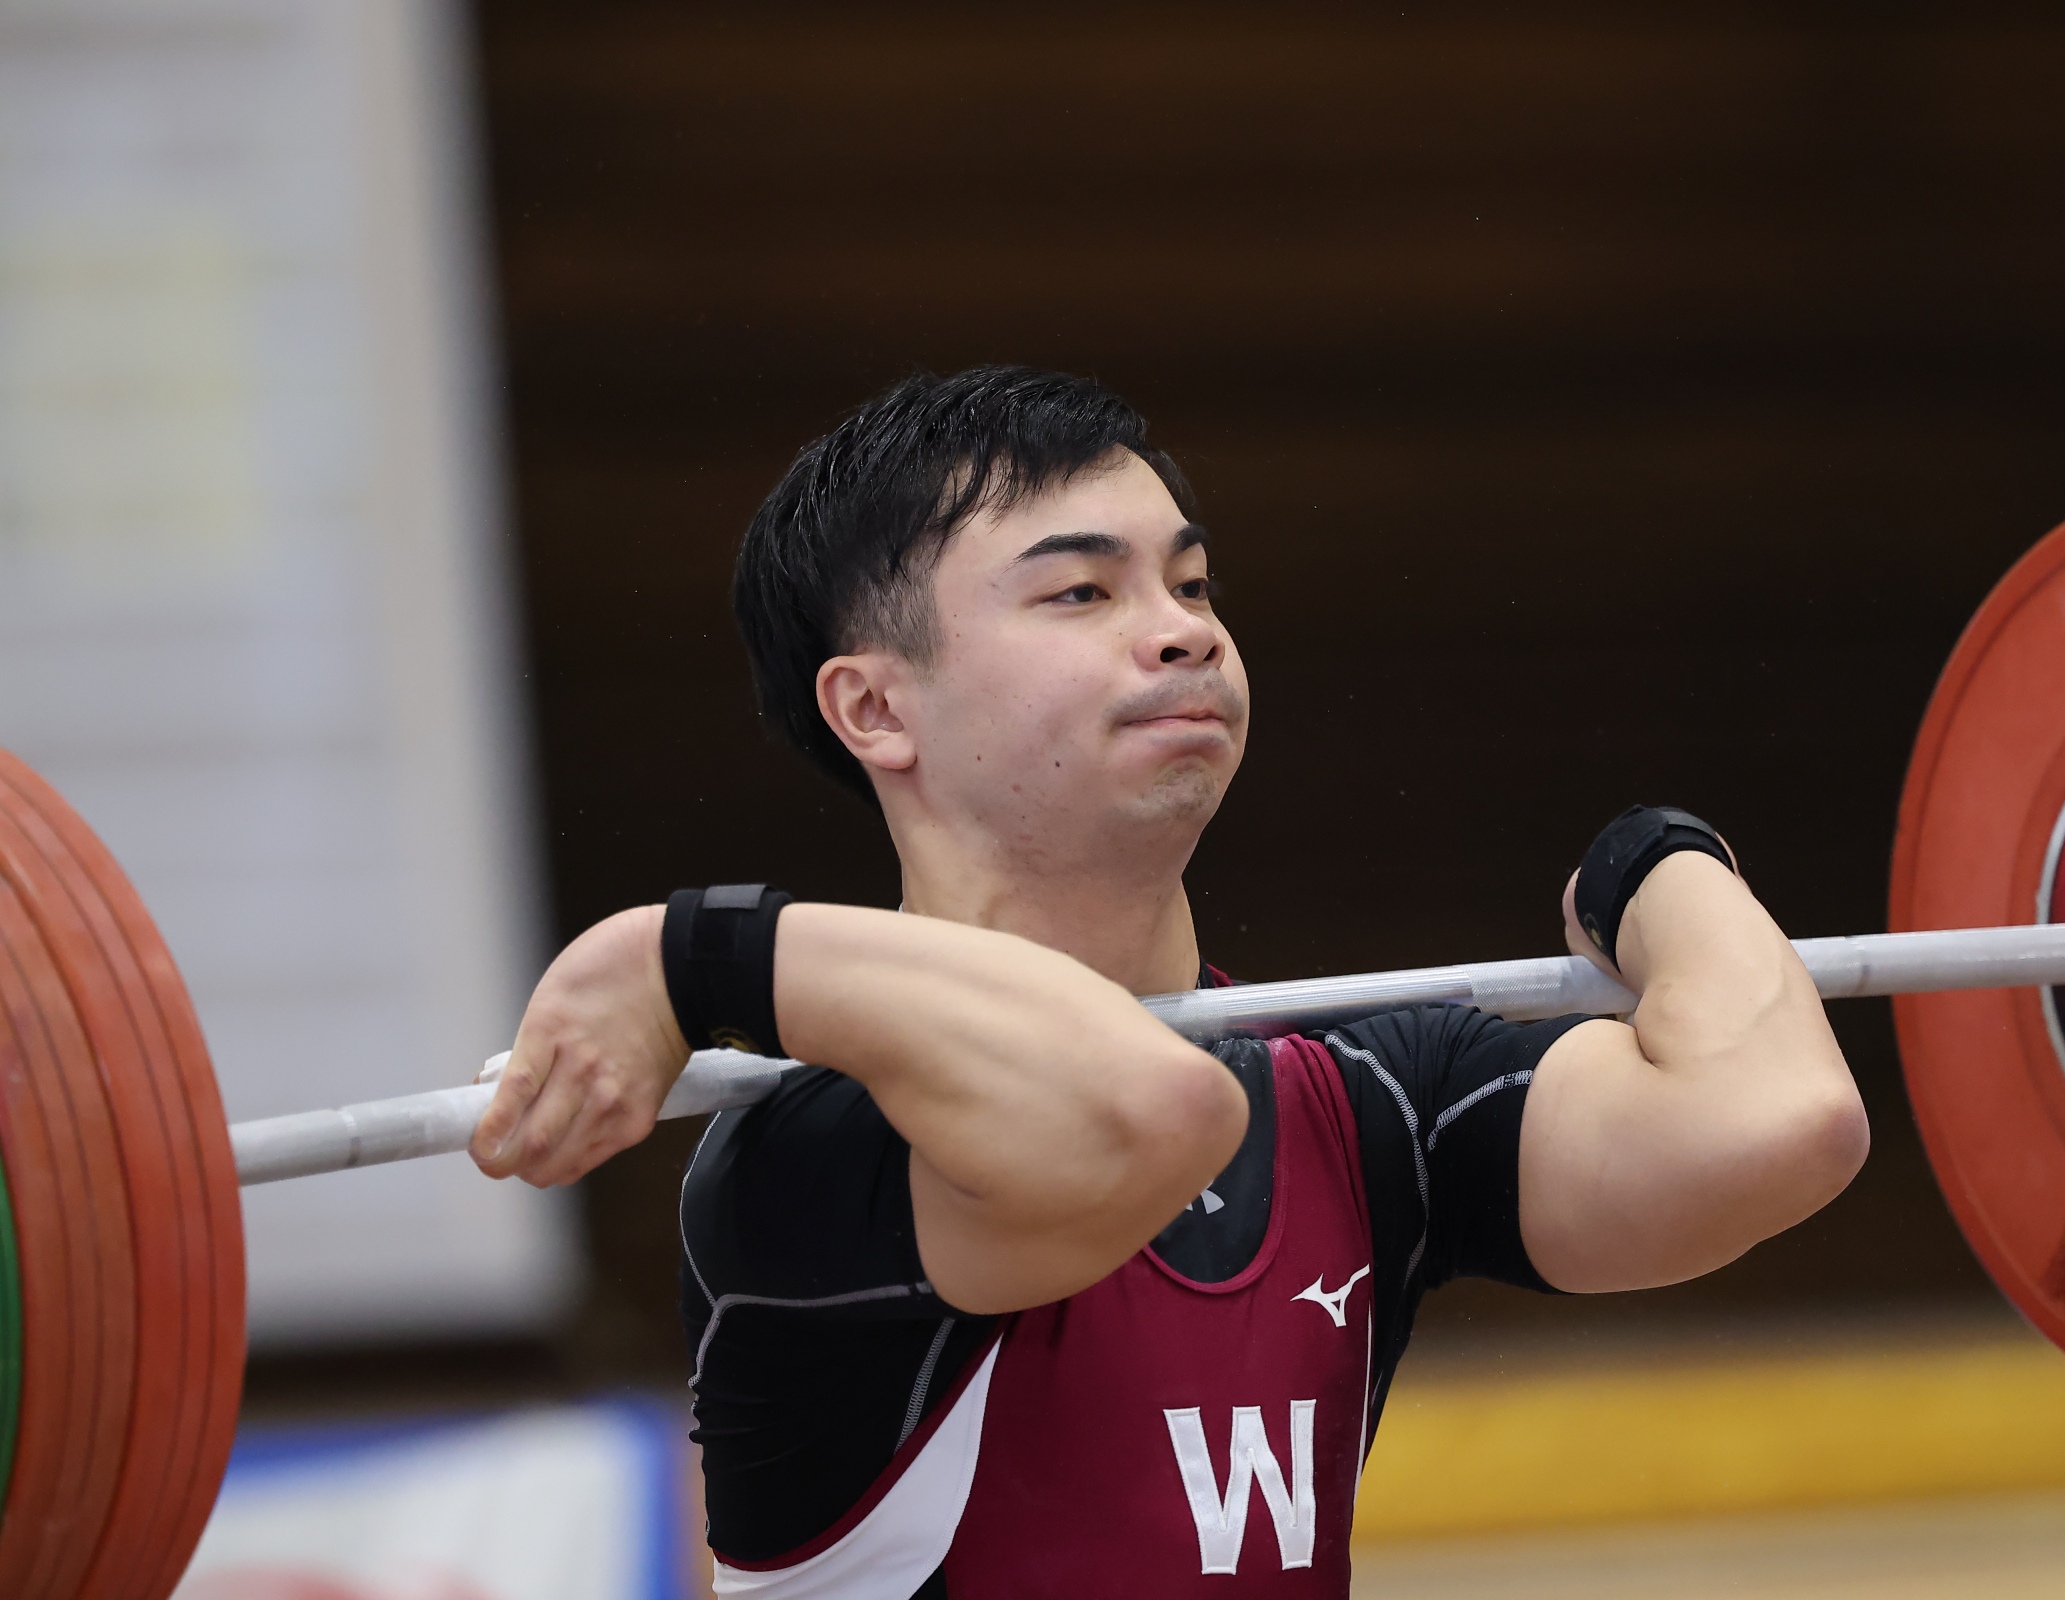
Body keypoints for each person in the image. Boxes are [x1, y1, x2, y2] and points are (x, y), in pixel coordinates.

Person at [469, 367, 1868, 1597]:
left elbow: (1779, 1125)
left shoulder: (1365, 1094)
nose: (1184, 631)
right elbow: (1149, 1113)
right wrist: (696, 950)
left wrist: (1654, 864)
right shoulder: (807, 1162)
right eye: (1082, 592)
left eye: (1191, 585)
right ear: (876, 708)